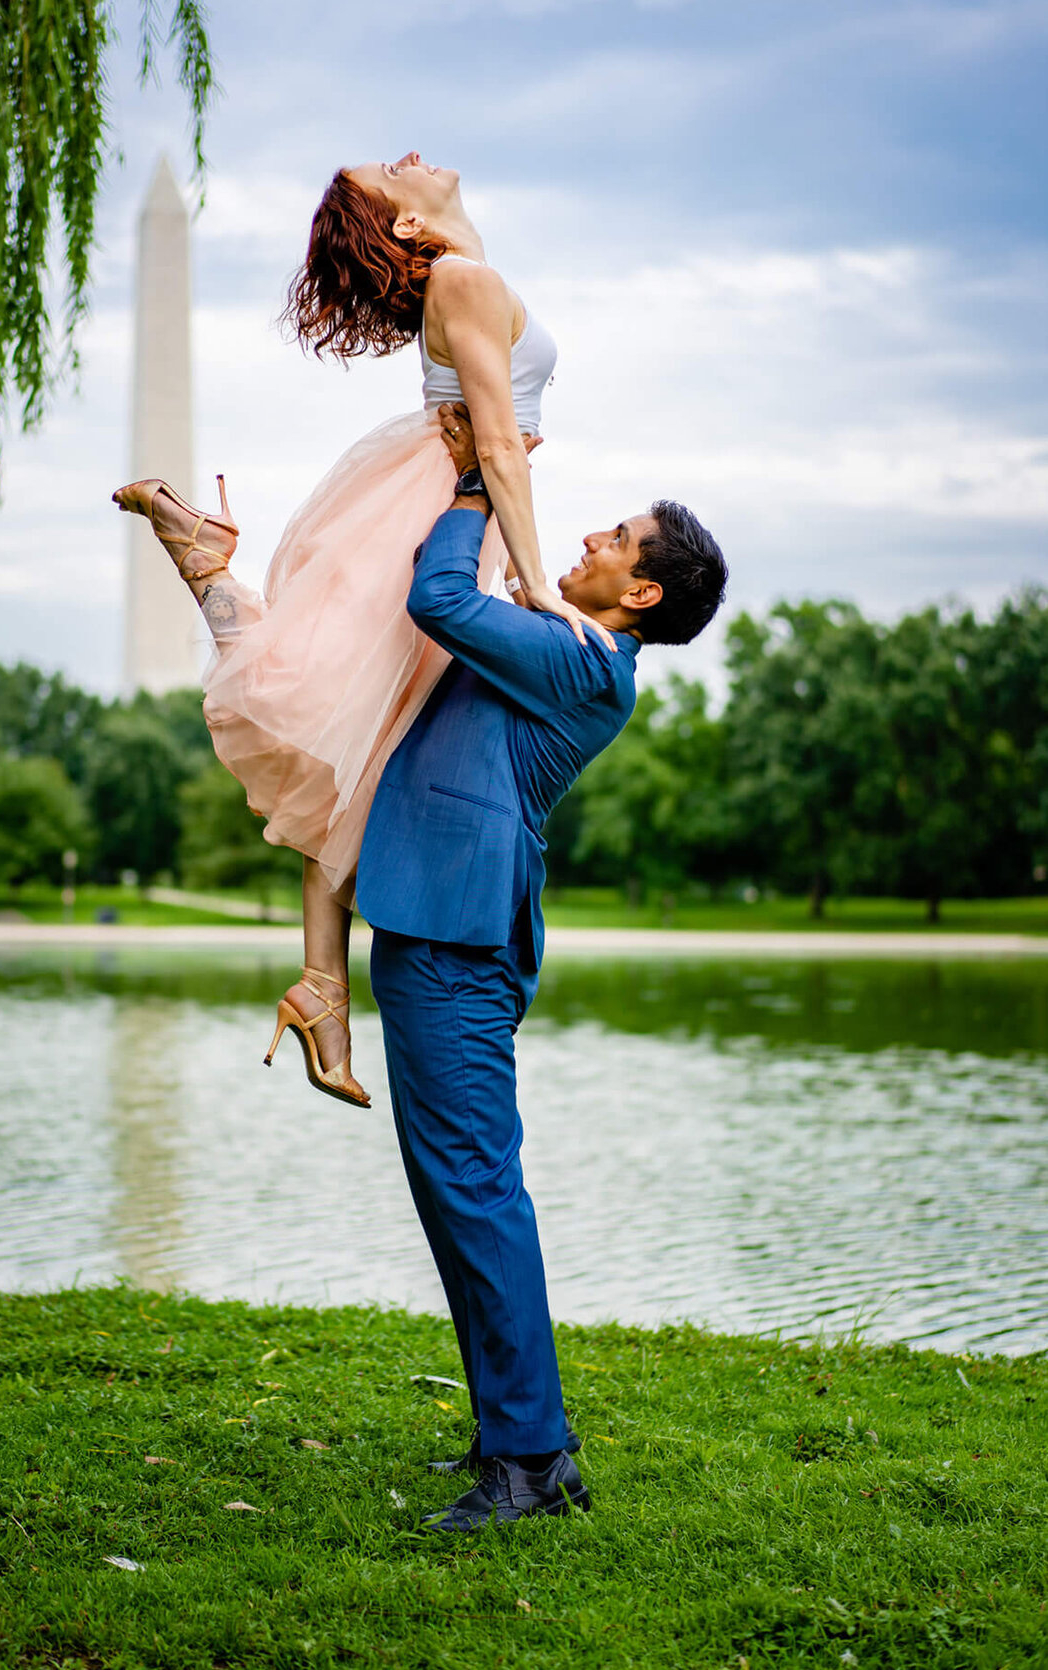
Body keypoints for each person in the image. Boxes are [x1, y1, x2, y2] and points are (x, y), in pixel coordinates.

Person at [115, 152, 606, 1106]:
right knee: (336, 723)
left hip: (438, 495)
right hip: (443, 503)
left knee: (357, 738)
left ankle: (321, 986)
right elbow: (500, 439)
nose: (411, 159)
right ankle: (201, 560)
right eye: (393, 171)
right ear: (410, 228)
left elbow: (500, 418)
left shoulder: (464, 267)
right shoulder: (465, 278)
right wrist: (538, 585)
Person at [375, 405, 726, 1530]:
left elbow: (436, 600)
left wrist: (480, 483)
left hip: (457, 941)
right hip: (435, 925)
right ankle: (507, 1431)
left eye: (616, 538)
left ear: (642, 595)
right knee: (452, 1193)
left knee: (477, 1191)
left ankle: (532, 1461)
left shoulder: (585, 662)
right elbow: (460, 609)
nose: (588, 537)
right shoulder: (554, 636)